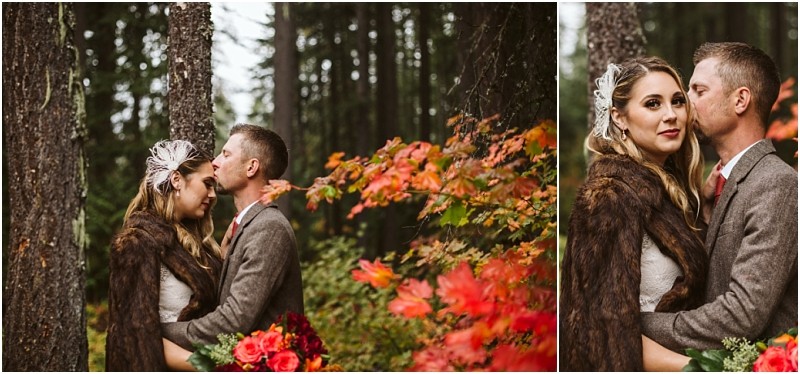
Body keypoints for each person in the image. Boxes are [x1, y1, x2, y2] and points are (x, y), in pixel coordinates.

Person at [641, 42, 798, 365]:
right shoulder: (725, 183)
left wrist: (636, 322)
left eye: (698, 90)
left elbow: (741, 314)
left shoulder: (776, 183)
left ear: (740, 100)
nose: (686, 101)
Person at [559, 56, 710, 371]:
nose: (671, 115)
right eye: (653, 104)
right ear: (620, 118)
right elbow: (602, 331)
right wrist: (704, 368)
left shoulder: (678, 193)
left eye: (678, 101)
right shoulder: (608, 198)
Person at [161, 124, 304, 353]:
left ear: (251, 167)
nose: (215, 162)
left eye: (226, 154)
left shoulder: (269, 228)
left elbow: (234, 320)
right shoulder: (247, 226)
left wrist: (160, 330)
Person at [106, 139, 223, 371]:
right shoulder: (136, 243)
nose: (213, 195)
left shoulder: (194, 243)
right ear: (177, 180)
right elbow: (136, 336)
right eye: (207, 184)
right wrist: (214, 366)